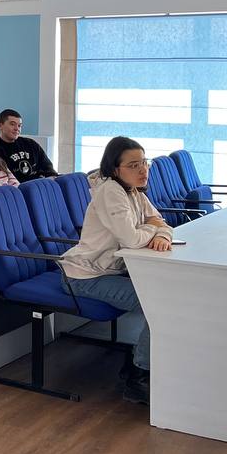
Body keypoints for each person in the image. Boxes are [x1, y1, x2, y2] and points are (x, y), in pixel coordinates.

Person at [59, 137, 173, 404]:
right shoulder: (110, 191)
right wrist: (153, 229)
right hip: (84, 276)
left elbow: (161, 221)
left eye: (144, 162)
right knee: (157, 303)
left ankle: (135, 363)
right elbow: (132, 239)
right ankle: (138, 377)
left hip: (108, 271)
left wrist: (162, 234)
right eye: (134, 165)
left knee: (164, 296)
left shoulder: (133, 191)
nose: (143, 170)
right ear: (114, 169)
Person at [0, 109, 56, 184]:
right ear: (0, 125)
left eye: (19, 125)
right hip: (16, 188)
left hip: (39, 186)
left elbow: (49, 170)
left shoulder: (30, 144)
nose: (17, 128)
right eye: (12, 124)